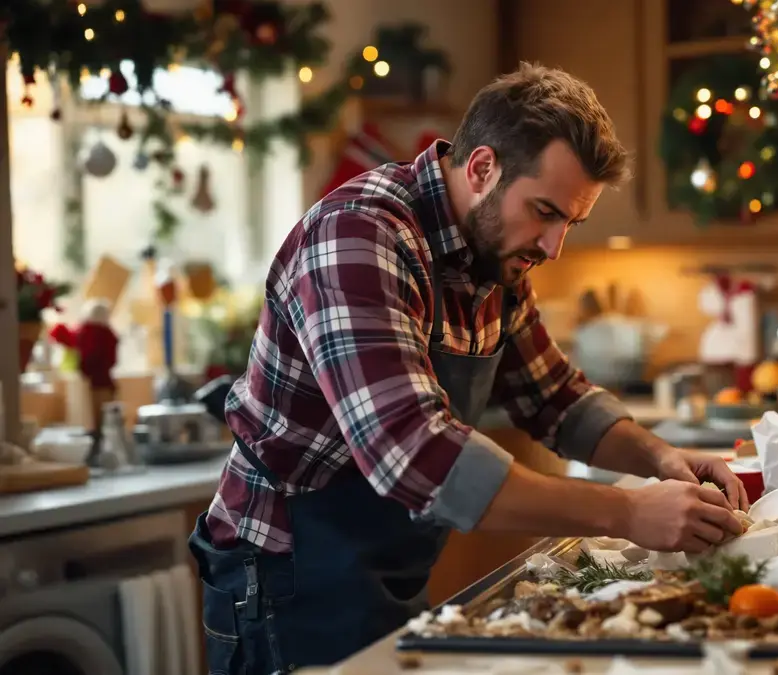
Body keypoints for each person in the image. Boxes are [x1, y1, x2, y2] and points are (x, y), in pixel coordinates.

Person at [190, 63, 748, 674]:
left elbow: (555, 397)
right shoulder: (358, 235)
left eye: (570, 222)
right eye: (545, 212)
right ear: (482, 168)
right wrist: (630, 513)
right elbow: (415, 453)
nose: (554, 246)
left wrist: (660, 459)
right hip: (286, 576)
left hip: (383, 566)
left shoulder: (494, 257)